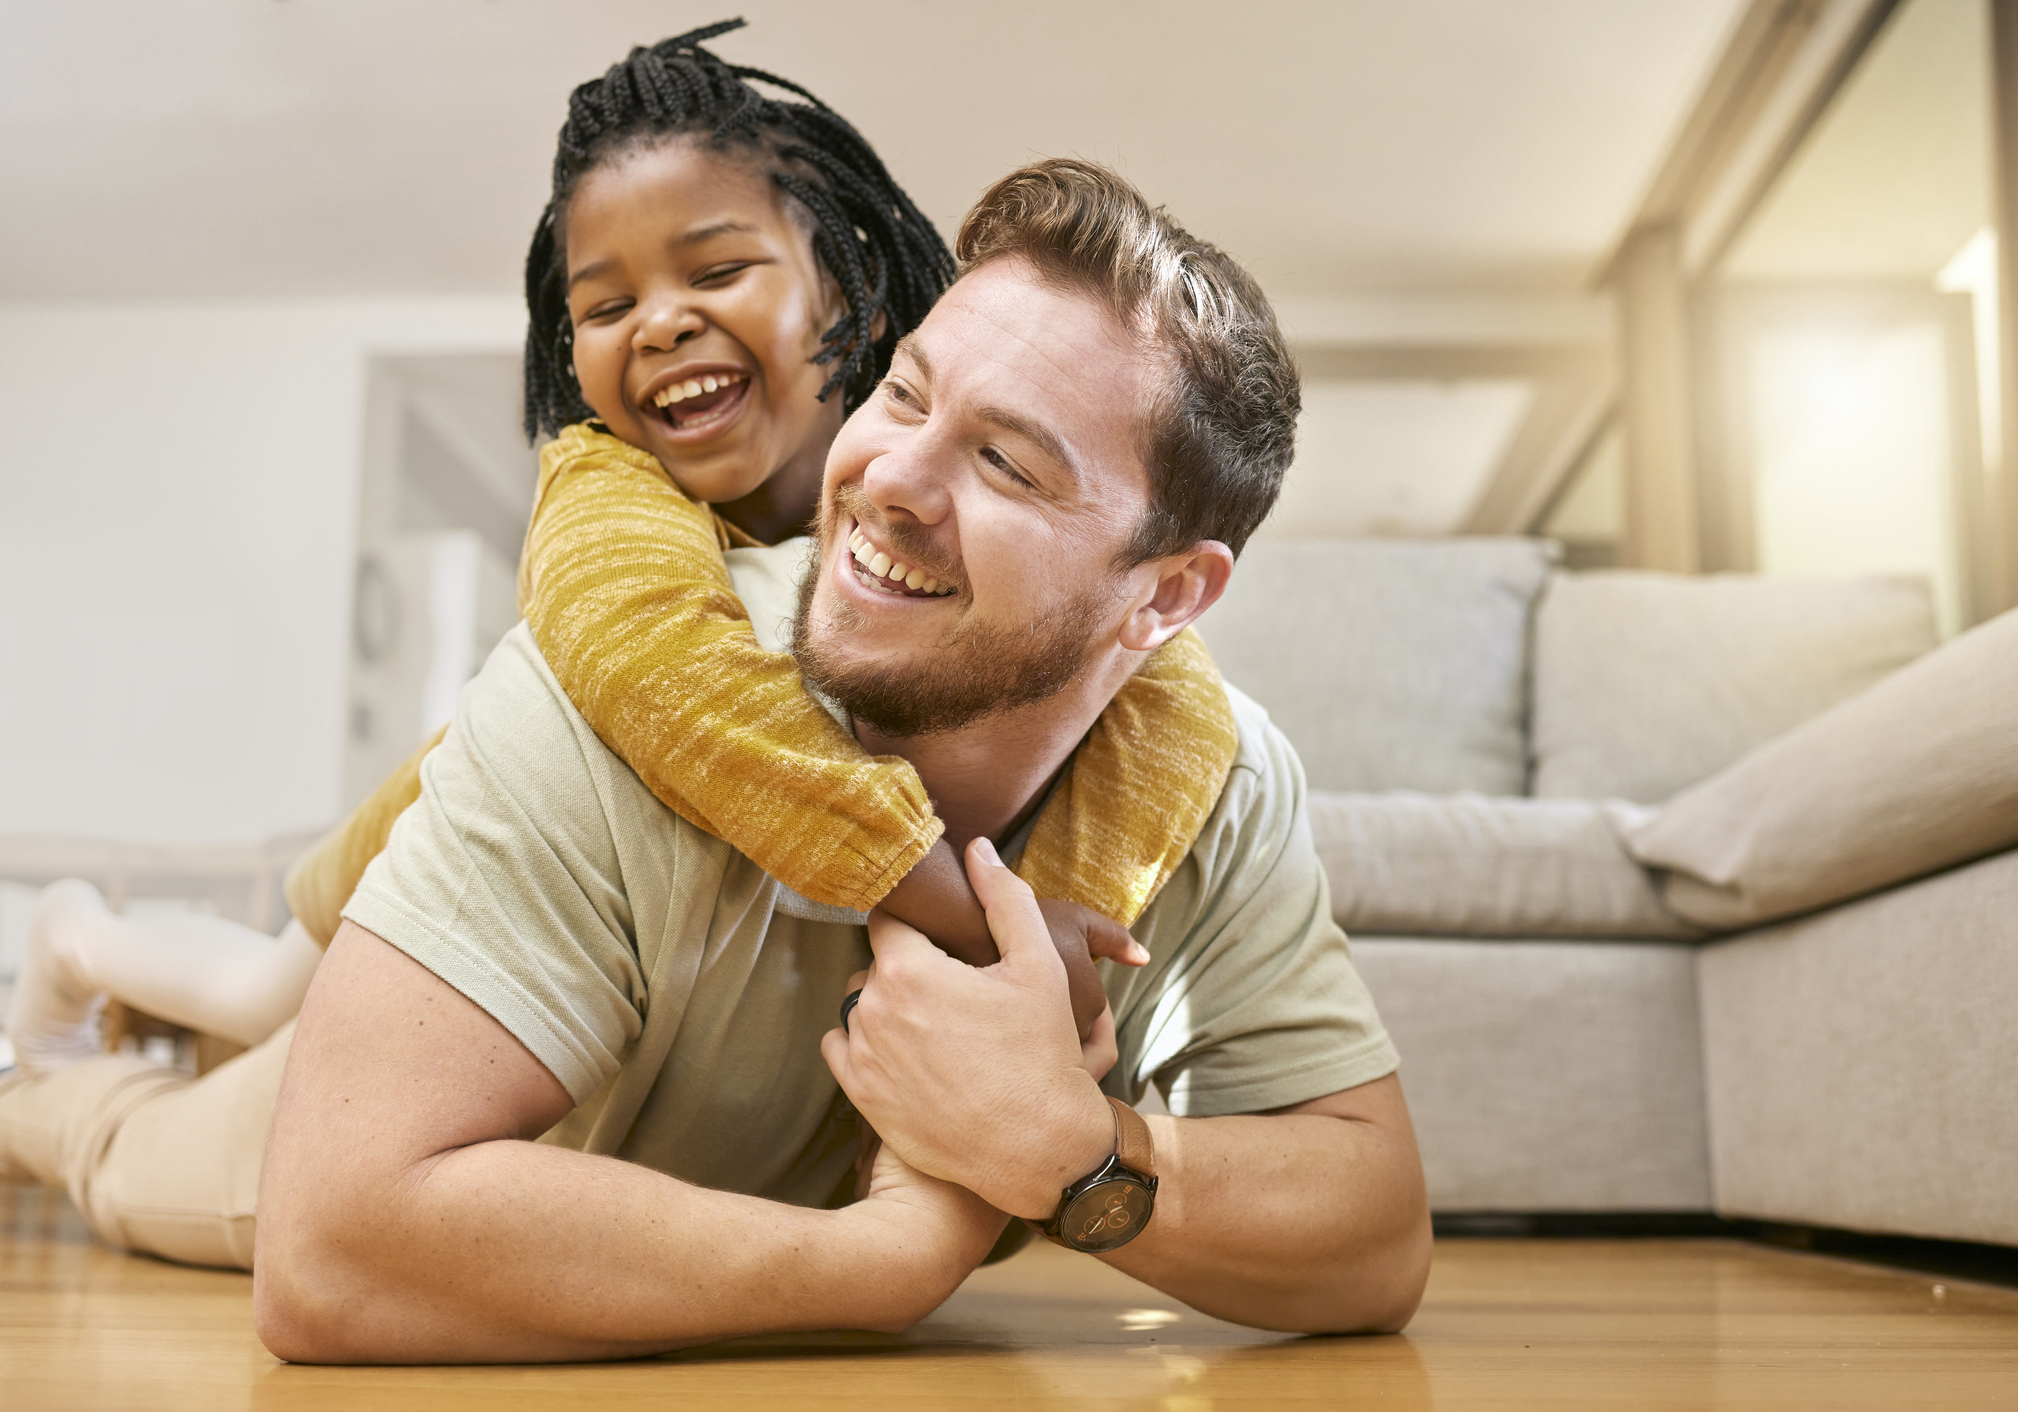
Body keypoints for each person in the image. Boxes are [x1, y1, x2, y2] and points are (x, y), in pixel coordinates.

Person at [0, 24, 1226, 1245]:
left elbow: (1163, 696)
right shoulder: (601, 489)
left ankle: (80, 1025)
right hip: (416, 837)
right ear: (567, 351)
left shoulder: (910, 485)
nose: (659, 318)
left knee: (239, 1030)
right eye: (602, 305)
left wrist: (1073, 937)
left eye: (715, 268)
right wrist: (986, 918)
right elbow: (676, 692)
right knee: (253, 1001)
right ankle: (74, 939)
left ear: (851, 283)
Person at [244, 158, 1431, 1363]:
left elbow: (1375, 1237)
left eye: (1006, 463)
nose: (887, 479)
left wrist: (1078, 1149)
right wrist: (884, 1262)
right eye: (906, 395)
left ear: (1166, 593)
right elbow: (326, 1246)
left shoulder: (1213, 779)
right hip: (302, 1115)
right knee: (116, 1135)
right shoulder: (628, 676)